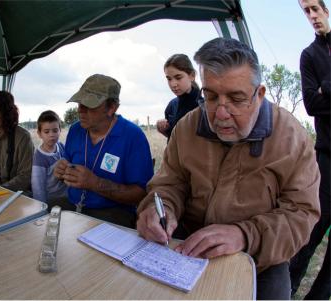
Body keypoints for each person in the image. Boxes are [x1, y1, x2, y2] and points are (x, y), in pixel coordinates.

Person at [136, 38, 321, 300]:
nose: (221, 113)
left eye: (236, 98)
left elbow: (302, 215)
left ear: (259, 94)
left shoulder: (292, 138)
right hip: (187, 246)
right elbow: (169, 183)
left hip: (260, 259)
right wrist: (161, 208)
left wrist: (245, 235)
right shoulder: (187, 127)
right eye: (211, 97)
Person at [53, 74, 154, 228]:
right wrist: (62, 172)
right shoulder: (75, 130)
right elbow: (67, 170)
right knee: (39, 218)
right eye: (80, 103)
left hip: (113, 214)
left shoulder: (133, 137)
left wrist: (95, 183)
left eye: (89, 105)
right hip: (73, 206)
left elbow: (141, 194)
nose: (80, 110)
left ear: (112, 108)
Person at [289, 0, 331, 299]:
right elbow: (311, 104)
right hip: (327, 159)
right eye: (306, 11)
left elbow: (321, 98)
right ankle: (286, 291)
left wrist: (325, 89)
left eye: (316, 8)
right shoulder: (310, 55)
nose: (312, 16)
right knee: (311, 233)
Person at [156, 54, 200, 141]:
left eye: (178, 77)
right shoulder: (171, 105)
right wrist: (163, 129)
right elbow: (173, 138)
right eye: (169, 79)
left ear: (192, 76)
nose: (173, 84)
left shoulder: (204, 106)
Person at [31, 110, 67, 203]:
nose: (51, 135)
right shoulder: (39, 157)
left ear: (60, 130)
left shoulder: (61, 147)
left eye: (55, 130)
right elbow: (38, 187)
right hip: (52, 201)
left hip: (68, 196)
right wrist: (42, 208)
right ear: (39, 133)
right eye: (46, 132)